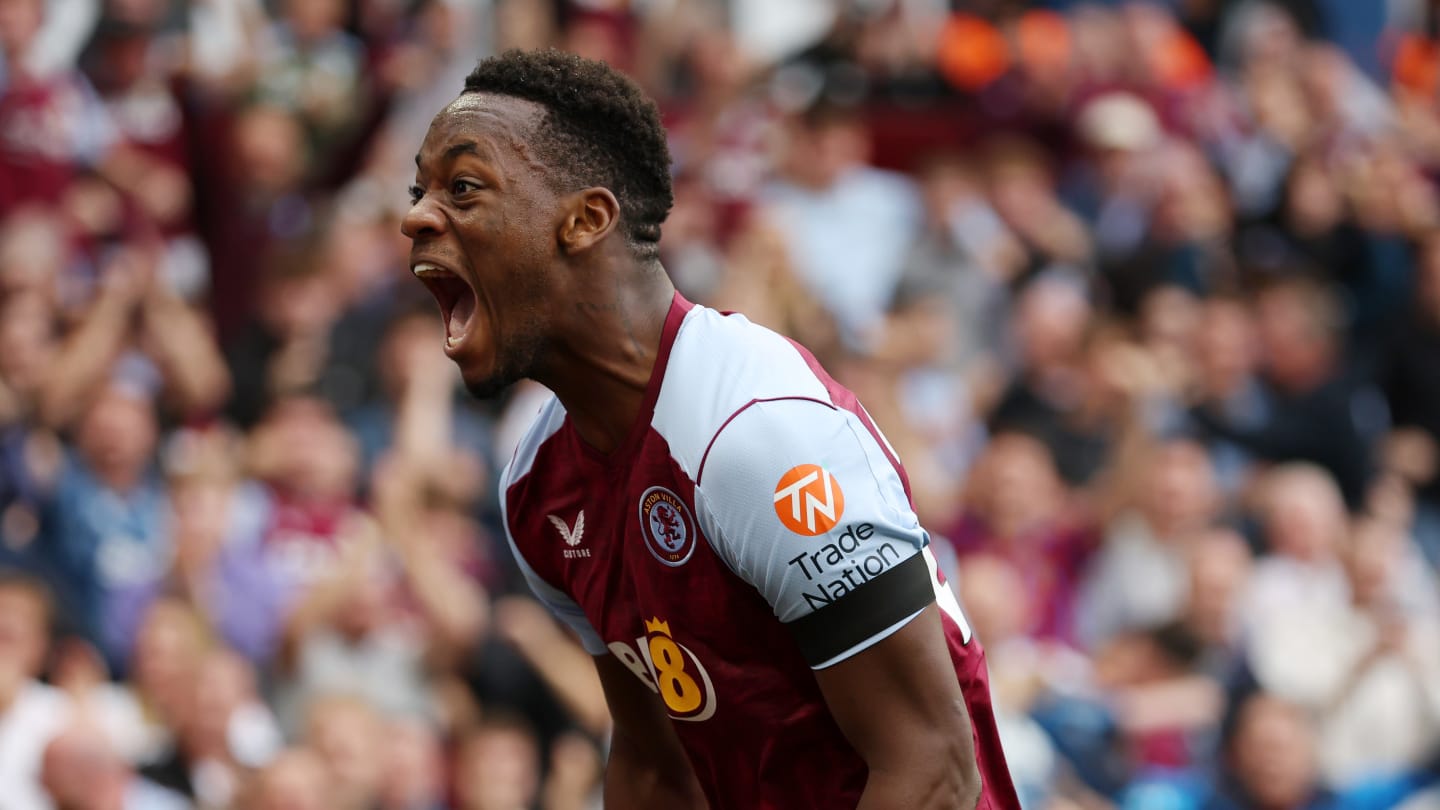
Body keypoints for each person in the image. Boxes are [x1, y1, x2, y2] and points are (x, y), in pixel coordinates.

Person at [401, 48, 1018, 809]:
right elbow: (658, 769)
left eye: (463, 188)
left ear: (586, 220)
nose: (416, 216)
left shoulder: (759, 436)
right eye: (420, 190)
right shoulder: (537, 488)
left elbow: (933, 769)